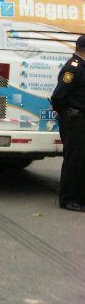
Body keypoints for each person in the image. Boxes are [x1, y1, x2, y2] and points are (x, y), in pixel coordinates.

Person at [50, 35, 85, 213]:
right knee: (73, 159)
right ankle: (68, 199)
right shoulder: (74, 68)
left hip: (80, 120)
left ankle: (79, 198)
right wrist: (65, 115)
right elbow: (58, 96)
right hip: (74, 120)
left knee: (81, 160)